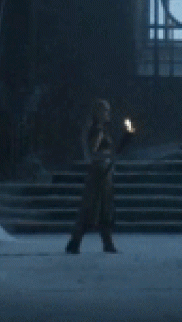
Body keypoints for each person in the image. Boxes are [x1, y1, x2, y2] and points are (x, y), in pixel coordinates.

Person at [65, 98, 133, 254]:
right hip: (99, 174)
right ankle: (75, 242)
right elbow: (93, 153)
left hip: (103, 174)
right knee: (92, 208)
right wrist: (108, 156)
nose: (108, 113)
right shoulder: (97, 131)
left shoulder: (102, 130)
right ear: (98, 112)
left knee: (104, 209)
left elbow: (109, 151)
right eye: (105, 110)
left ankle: (106, 243)